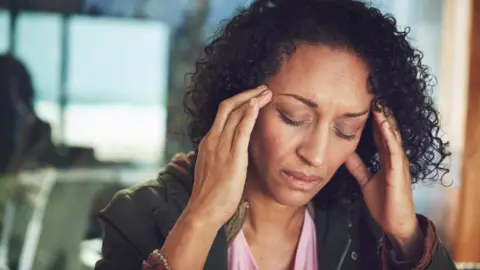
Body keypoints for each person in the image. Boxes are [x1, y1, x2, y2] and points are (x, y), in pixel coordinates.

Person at [95, 0, 456, 269]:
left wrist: (407, 237)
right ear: (240, 100)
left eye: (347, 129)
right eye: (293, 116)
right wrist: (201, 217)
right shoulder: (138, 216)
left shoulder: (366, 228)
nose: (315, 155)